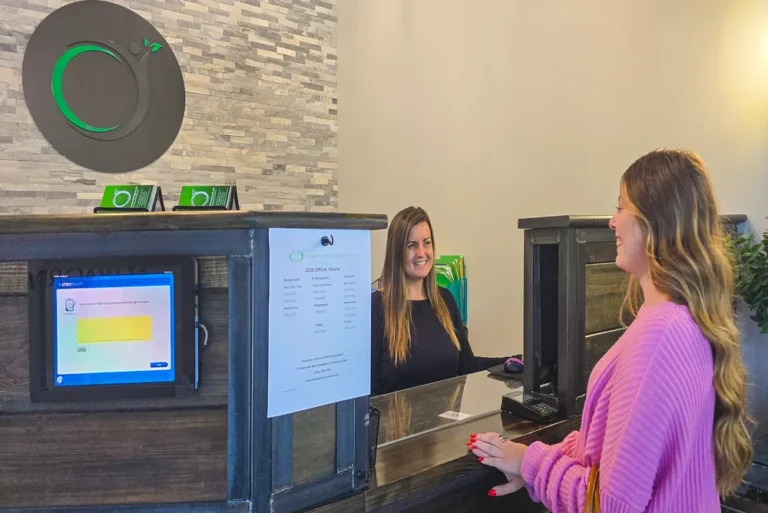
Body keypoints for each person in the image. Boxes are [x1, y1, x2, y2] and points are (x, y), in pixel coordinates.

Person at [468, 149, 752, 512]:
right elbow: (601, 450)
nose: (612, 222)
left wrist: (531, 462)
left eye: (620, 208)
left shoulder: (660, 335)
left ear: (653, 220)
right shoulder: (681, 318)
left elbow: (610, 503)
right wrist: (537, 460)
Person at [371, 206, 510, 396]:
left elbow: (467, 365)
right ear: (397, 252)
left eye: (426, 243)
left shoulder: (445, 300)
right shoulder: (377, 307)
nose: (422, 253)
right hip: (397, 425)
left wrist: (515, 362)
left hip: (444, 424)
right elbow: (368, 389)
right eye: (412, 245)